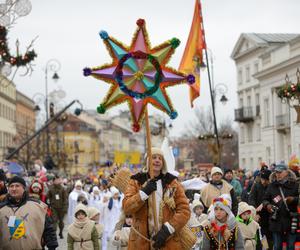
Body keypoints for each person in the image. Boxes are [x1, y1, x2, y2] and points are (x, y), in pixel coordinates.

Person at [123, 147, 191, 250]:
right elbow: (127, 207)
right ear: (147, 161)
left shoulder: (172, 182)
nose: (157, 160)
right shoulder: (136, 181)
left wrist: (168, 229)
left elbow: (184, 210)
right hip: (141, 242)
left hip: (168, 240)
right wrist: (143, 193)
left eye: (160, 158)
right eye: (154, 157)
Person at [0, 176, 58, 250]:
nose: (14, 188)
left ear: (24, 188)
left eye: (17, 186)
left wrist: (52, 246)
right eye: (11, 186)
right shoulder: (1, 209)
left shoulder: (38, 206)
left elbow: (48, 228)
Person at [263, 163, 299, 250]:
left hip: (291, 220)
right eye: (276, 172)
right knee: (277, 246)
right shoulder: (272, 185)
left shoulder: (295, 184)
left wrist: (293, 199)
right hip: (276, 220)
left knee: (290, 246)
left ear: (287, 172)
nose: (277, 174)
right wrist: (268, 205)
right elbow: (265, 199)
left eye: (280, 172)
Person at [248, 168, 272, 246]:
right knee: (261, 235)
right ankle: (264, 247)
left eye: (266, 180)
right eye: (263, 179)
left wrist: (265, 204)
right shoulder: (256, 186)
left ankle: (268, 247)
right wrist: (255, 212)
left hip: (269, 214)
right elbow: (251, 199)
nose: (264, 181)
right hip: (258, 215)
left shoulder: (271, 186)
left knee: (269, 236)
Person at [47, 175, 68, 239]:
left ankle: (61, 232)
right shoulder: (51, 188)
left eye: (58, 179)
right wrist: (50, 203)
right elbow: (48, 197)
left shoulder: (63, 189)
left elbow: (65, 199)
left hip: (61, 208)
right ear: (53, 181)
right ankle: (54, 234)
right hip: (54, 208)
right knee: (54, 221)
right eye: (56, 180)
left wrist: (65, 208)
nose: (57, 181)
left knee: (61, 222)